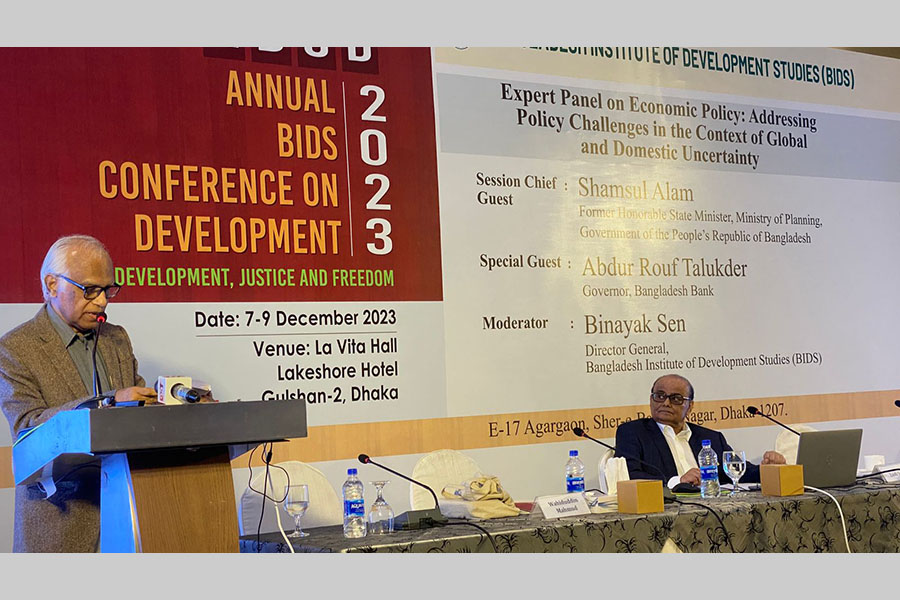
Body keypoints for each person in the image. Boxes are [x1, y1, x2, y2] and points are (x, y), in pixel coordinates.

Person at [0, 235, 157, 552]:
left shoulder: (116, 338)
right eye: (90, 290)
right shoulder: (15, 348)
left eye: (108, 290)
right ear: (52, 285)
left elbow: (138, 411)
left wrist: (171, 404)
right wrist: (108, 402)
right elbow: (28, 429)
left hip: (127, 518)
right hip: (61, 525)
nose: (102, 302)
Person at [614, 373, 785, 489]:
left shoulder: (711, 437)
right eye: (659, 396)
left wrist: (768, 470)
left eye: (676, 398)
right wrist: (677, 481)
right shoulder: (632, 432)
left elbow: (735, 470)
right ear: (651, 400)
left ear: (690, 406)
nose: (666, 403)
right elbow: (628, 475)